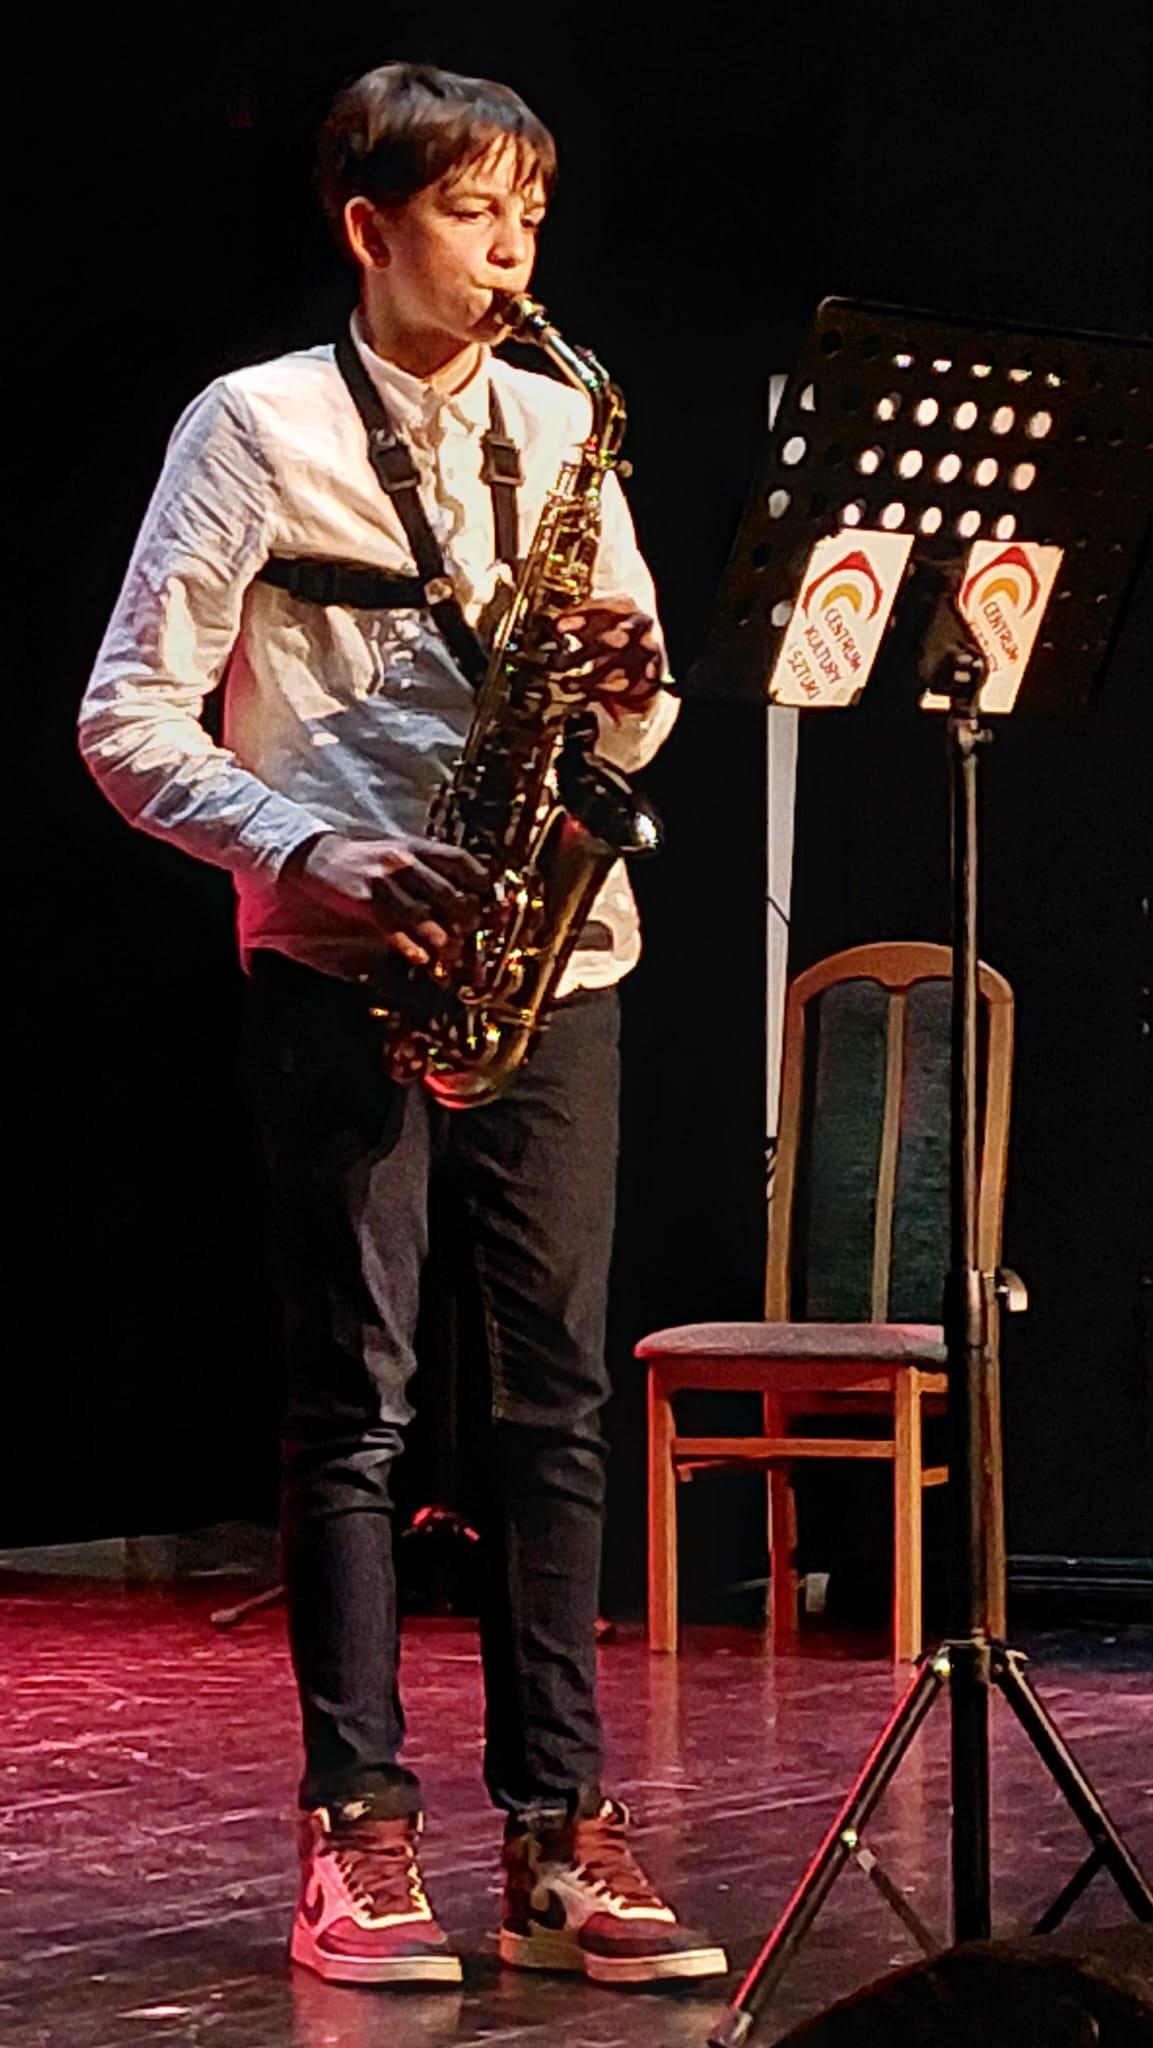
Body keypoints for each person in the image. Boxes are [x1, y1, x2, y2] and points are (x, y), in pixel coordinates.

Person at [79, 60, 728, 1992]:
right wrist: (310, 844)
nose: (514, 247)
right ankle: (354, 1830)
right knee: (353, 1413)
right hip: (342, 959)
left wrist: (628, 686)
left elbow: (636, 724)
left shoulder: (566, 421)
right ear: (367, 228)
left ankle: (559, 1833)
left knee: (556, 1410)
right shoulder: (255, 425)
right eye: (471, 209)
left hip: (553, 961)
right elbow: (124, 718)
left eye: (532, 209)